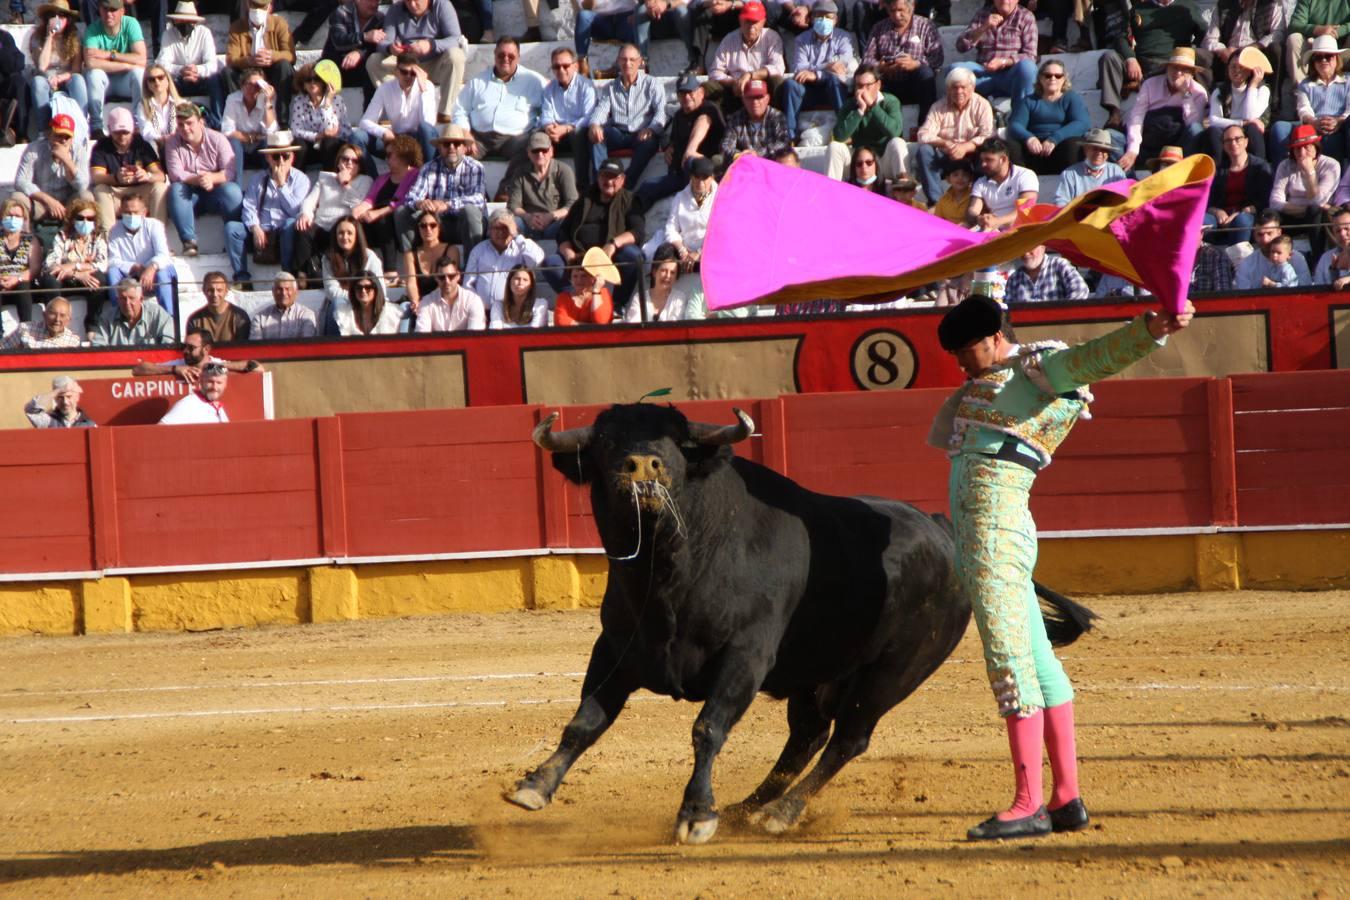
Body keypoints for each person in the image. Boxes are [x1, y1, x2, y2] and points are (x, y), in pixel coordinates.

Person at [931, 292, 1194, 842]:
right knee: (1037, 658)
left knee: (1008, 658)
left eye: (965, 351)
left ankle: (1028, 803)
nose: (959, 363)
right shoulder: (1007, 374)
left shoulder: (1037, 368)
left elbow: (1098, 357)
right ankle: (1066, 797)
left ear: (995, 337)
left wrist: (1151, 328)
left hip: (994, 534)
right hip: (999, 531)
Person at [551, 158, 644, 312]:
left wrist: (613, 244)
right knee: (551, 263)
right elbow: (563, 231)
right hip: (579, 254)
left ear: (622, 179)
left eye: (613, 177)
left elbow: (638, 232)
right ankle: (578, 302)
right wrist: (569, 255)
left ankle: (616, 305)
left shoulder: (630, 200)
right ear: (598, 177)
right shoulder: (585, 198)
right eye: (604, 176)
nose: (608, 181)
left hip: (609, 255)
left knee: (634, 256)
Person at [1098, 0, 1209, 130]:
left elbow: (1204, 34)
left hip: (1171, 65)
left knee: (1202, 55)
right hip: (1140, 63)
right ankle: (1114, 113)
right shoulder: (1139, 9)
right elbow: (1121, 37)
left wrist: (1187, 53)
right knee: (1109, 57)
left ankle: (1206, 106)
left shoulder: (1187, 7)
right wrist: (1130, 59)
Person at [164, 102, 243, 263]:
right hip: (190, 193)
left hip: (215, 191)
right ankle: (189, 241)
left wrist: (212, 178)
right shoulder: (172, 142)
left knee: (233, 191)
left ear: (201, 122)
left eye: (189, 123)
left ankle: (233, 238)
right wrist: (199, 179)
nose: (185, 129)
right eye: (180, 125)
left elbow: (229, 171)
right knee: (176, 189)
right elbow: (175, 173)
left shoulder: (218, 139)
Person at [367, 0, 466, 127]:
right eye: (408, 1)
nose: (412, 5)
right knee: (374, 61)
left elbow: (455, 39)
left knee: (456, 56)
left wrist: (431, 45)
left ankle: (445, 112)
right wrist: (391, 48)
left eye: (416, 0)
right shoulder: (395, 9)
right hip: (406, 65)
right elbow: (383, 42)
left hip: (435, 62)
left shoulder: (442, 5)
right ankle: (394, 107)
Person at [583, 44, 666, 191]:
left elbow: (661, 112)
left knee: (649, 143)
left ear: (640, 62)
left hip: (641, 134)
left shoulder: (652, 84)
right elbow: (601, 110)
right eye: (624, 59)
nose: (628, 63)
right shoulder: (610, 87)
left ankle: (625, 185)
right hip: (618, 133)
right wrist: (594, 125)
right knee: (595, 137)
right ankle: (601, 182)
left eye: (632, 60)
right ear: (618, 61)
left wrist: (651, 129)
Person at [453, 36, 546, 168]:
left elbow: (548, 109)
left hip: (515, 139)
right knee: (453, 150)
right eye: (501, 55)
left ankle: (507, 187)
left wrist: (534, 130)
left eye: (511, 56)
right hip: (479, 138)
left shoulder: (534, 81)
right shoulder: (477, 81)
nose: (505, 59)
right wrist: (465, 133)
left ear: (518, 57)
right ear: (495, 54)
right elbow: (460, 109)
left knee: (532, 146)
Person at [398, 122, 486, 258]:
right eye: (446, 144)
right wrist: (420, 203)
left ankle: (471, 268)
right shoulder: (428, 168)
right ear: (440, 148)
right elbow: (410, 197)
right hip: (436, 224)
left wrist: (448, 205)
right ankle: (413, 264)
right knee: (401, 212)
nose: (451, 147)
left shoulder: (475, 167)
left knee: (470, 211)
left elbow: (478, 199)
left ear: (464, 148)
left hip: (463, 224)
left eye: (456, 144)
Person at [634, 73, 724, 207]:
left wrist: (691, 150)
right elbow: (673, 141)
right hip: (678, 175)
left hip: (702, 175)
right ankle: (635, 226)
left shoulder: (709, 109)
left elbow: (703, 122)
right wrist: (669, 149)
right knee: (645, 188)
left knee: (691, 161)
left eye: (690, 92)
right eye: (682, 93)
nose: (687, 97)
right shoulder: (678, 116)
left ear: (701, 92)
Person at [913, 67, 994, 212]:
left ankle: (978, 202)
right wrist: (945, 143)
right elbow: (923, 134)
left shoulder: (982, 105)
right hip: (946, 154)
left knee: (986, 153)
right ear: (948, 89)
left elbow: (988, 135)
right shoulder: (938, 107)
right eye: (954, 88)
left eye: (963, 87)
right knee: (924, 151)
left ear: (972, 87)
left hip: (972, 155)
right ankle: (936, 202)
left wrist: (966, 146)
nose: (958, 92)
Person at [1119, 47, 1209, 173]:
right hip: (1148, 137)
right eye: (1175, 68)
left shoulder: (1199, 93)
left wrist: (1186, 95)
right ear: (1167, 68)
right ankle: (1127, 180)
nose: (1178, 73)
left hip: (1176, 144)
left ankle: (1184, 172)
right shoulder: (1150, 84)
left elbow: (1193, 124)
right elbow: (1136, 116)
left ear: (1191, 73)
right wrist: (1133, 149)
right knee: (1113, 138)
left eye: (1184, 70)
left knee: (1196, 130)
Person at [293, 143, 373, 282]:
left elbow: (358, 205)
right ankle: (302, 275)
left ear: (359, 165)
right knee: (302, 229)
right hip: (322, 224)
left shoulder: (365, 181)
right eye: (345, 159)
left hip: (343, 227)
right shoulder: (325, 178)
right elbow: (309, 201)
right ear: (338, 161)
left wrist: (345, 184)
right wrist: (305, 214)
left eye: (354, 161)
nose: (349, 163)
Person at [708, 1, 790, 127]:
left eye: (755, 22)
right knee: (709, 87)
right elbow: (714, 71)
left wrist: (750, 75)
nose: (751, 26)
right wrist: (733, 82)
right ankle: (721, 129)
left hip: (762, 87)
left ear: (763, 22)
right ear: (740, 21)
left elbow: (778, 67)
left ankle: (778, 125)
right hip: (736, 90)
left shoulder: (772, 37)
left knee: (777, 82)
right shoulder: (729, 39)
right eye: (747, 21)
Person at [783, 0, 856, 140]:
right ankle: (790, 135)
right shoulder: (801, 39)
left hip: (835, 90)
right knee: (791, 85)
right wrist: (826, 66)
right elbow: (800, 68)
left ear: (835, 20)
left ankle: (845, 131)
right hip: (809, 90)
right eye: (819, 16)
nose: (824, 20)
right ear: (810, 19)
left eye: (828, 17)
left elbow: (843, 65)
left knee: (834, 80)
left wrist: (816, 73)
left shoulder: (844, 37)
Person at [1271, 35, 1350, 162]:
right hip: (1313, 124)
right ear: (1314, 62)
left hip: (1341, 123)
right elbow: (1304, 109)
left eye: (1328, 56)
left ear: (1336, 59)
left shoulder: (1348, 80)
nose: (1323, 61)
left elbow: (1349, 110)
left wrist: (1338, 121)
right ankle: (1282, 173)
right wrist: (1314, 122)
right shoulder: (1305, 84)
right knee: (1279, 127)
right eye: (1318, 58)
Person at [862, 0, 941, 124]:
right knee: (867, 78)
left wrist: (916, 64)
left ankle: (925, 125)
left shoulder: (926, 26)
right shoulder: (879, 28)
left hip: (915, 84)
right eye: (892, 11)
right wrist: (881, 67)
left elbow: (936, 58)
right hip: (887, 82)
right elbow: (866, 59)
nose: (896, 15)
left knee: (926, 73)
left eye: (901, 10)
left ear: (912, 7)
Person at [353, 134, 422, 277]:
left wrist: (378, 213)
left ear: (403, 154)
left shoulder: (416, 175)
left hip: (401, 226)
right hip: (379, 226)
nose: (386, 159)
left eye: (390, 155)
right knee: (353, 225)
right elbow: (370, 200)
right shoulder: (382, 179)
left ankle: (390, 270)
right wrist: (358, 211)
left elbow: (405, 200)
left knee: (383, 219)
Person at [1006, 59, 1089, 175]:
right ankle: (1019, 182)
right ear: (1040, 78)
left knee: (1074, 144)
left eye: (1058, 76)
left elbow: (1082, 123)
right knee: (1011, 145)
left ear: (1064, 79)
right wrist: (1029, 138)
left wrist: (1054, 139)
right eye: (1048, 75)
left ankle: (1071, 183)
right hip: (1034, 149)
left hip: (1060, 147)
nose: (1053, 79)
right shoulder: (1029, 100)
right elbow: (1015, 124)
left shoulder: (1071, 98)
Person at [90, 106, 168, 231]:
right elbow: (96, 177)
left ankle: (158, 235)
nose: (122, 137)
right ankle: (108, 238)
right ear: (109, 129)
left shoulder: (141, 144)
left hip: (140, 192)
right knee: (100, 190)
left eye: (125, 132)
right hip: (116, 194)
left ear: (132, 130)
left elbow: (161, 176)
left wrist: (146, 176)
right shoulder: (101, 146)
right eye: (117, 132)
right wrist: (116, 178)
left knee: (159, 187)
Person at [1270, 123, 1340, 259]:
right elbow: (1275, 202)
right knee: (1270, 215)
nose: (1302, 154)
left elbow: (1319, 201)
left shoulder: (1331, 165)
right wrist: (1305, 209)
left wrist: (1309, 173)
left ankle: (1317, 258)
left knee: (1315, 210)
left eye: (1306, 147)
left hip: (1318, 218)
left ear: (1316, 148)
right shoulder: (1285, 165)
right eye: (1297, 149)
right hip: (1292, 216)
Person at [826, 64, 906, 182]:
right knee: (834, 147)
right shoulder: (849, 105)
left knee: (898, 143)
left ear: (878, 85)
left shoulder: (890, 101)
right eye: (859, 85)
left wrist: (873, 107)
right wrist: (859, 111)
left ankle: (904, 190)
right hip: (859, 162)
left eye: (868, 85)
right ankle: (829, 194)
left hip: (883, 158)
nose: (863, 90)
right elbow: (839, 136)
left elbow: (895, 131)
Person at [359, 51, 440, 166]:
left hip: (418, 138)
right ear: (396, 71)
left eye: (412, 73)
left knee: (425, 129)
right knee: (358, 137)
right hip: (395, 138)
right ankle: (374, 178)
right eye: (404, 72)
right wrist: (383, 132)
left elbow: (428, 124)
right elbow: (365, 122)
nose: (408, 76)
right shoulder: (385, 89)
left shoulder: (427, 87)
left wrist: (423, 89)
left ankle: (429, 174)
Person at [14, 114, 92, 229]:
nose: (63, 140)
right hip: (42, 203)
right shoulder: (34, 149)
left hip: (68, 204)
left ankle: (80, 239)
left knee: (87, 197)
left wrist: (67, 160)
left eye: (67, 137)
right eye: (59, 136)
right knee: (17, 198)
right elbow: (20, 181)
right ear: (48, 134)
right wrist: (48, 201)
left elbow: (83, 186)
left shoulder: (79, 151)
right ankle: (24, 240)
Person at [952, 0, 1038, 104]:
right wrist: (983, 27)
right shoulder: (983, 14)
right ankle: (959, 116)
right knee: (954, 71)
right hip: (983, 74)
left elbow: (1030, 56)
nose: (1005, 1)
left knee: (1028, 68)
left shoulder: (1026, 17)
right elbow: (960, 46)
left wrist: (1004, 62)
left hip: (1010, 76)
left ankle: (1020, 116)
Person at [83, 0, 148, 137]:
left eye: (113, 10)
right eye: (105, 9)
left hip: (125, 81)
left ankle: (138, 123)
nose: (109, 14)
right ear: (99, 10)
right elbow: (91, 63)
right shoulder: (92, 30)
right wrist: (125, 64)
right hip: (105, 81)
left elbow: (141, 59)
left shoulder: (131, 24)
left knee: (139, 73)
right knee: (94, 74)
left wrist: (109, 55)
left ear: (122, 11)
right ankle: (96, 126)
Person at [107, 191, 176, 316]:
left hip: (155, 271)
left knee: (162, 274)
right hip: (131, 275)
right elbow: (112, 260)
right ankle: (119, 315)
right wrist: (134, 267)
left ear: (144, 212)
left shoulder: (154, 225)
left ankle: (169, 318)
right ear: (120, 212)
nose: (131, 216)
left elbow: (163, 254)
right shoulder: (114, 230)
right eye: (127, 212)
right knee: (112, 272)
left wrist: (151, 267)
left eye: (135, 212)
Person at [226, 0, 295, 127]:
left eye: (262, 7)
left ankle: (282, 120)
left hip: (272, 69)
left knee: (284, 66)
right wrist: (248, 60)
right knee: (228, 72)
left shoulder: (280, 23)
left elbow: (291, 55)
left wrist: (272, 56)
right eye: (254, 6)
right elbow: (231, 59)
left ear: (270, 7)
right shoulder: (237, 27)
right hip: (248, 70)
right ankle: (238, 116)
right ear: (247, 5)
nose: (258, 11)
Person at [643, 155, 715, 276]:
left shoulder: (720, 198)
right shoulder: (680, 197)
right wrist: (682, 250)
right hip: (683, 249)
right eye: (697, 177)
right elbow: (671, 228)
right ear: (691, 177)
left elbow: (720, 233)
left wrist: (699, 252)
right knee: (658, 255)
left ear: (712, 178)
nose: (700, 182)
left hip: (709, 250)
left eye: (705, 178)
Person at [1204, 124, 1273, 246]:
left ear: (1246, 142)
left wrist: (1239, 213)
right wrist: (1217, 211)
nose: (1233, 143)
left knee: (1242, 221)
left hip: (1248, 215)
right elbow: (1208, 201)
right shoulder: (1218, 170)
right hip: (1221, 216)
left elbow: (1265, 201)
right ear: (1224, 146)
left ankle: (1238, 260)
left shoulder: (1260, 167)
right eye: (1228, 140)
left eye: (1237, 139)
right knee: (1201, 220)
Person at [158, 1, 224, 127]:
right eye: (181, 21)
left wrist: (196, 70)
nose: (185, 25)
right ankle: (167, 122)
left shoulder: (204, 33)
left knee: (215, 79)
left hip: (200, 80)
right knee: (161, 80)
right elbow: (161, 63)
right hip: (178, 80)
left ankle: (217, 121)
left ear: (195, 22)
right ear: (175, 21)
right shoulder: (168, 34)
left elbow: (212, 64)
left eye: (188, 22)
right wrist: (181, 70)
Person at [464, 209, 544, 312]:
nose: (500, 232)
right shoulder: (478, 250)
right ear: (489, 230)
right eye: (496, 228)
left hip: (513, 312)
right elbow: (468, 284)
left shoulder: (522, 248)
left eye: (505, 228)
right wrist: (476, 309)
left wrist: (516, 235)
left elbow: (537, 259)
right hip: (481, 312)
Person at [507, 131, 579, 240]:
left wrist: (550, 216)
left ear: (551, 151)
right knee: (511, 223)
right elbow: (513, 205)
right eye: (535, 150)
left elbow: (573, 203)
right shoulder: (519, 172)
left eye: (544, 150)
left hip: (555, 222)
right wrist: (528, 217)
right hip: (528, 223)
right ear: (528, 152)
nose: (540, 154)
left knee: (571, 222)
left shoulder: (564, 171)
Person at [30, 0, 89, 133]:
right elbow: (42, 67)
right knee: (38, 82)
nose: (57, 19)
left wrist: (61, 78)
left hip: (66, 78)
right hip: (46, 79)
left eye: (62, 15)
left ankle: (81, 126)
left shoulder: (75, 37)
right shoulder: (37, 37)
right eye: (53, 15)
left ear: (67, 19)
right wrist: (49, 37)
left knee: (78, 80)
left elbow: (76, 69)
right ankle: (43, 131)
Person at [289, 61, 358, 173]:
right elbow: (296, 130)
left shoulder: (337, 100)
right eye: (308, 80)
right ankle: (297, 179)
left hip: (332, 148)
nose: (312, 83)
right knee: (299, 144)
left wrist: (327, 103)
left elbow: (331, 130)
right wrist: (317, 136)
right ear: (303, 84)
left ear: (323, 81)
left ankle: (329, 180)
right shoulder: (299, 101)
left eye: (316, 79)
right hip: (311, 148)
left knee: (328, 142)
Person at [1206, 46, 1271, 160]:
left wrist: (1253, 85)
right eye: (1233, 67)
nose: (1237, 70)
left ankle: (1260, 167)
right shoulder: (1220, 90)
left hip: (1249, 133)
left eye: (1241, 67)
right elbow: (1214, 120)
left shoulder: (1262, 90)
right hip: (1227, 131)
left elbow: (1250, 116)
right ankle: (1219, 171)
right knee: (1213, 131)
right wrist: (1241, 123)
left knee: (1252, 127)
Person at [1203, 0, 1284, 88]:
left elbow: (1278, 33)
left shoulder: (1271, 4)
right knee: (1199, 55)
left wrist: (1256, 46)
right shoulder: (1223, 5)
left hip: (1256, 56)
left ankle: (1274, 99)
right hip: (1228, 58)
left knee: (1276, 49)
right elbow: (1210, 39)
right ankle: (1208, 96)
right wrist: (1223, 50)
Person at [538, 46, 597, 167]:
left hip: (579, 132)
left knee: (577, 134)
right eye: (556, 66)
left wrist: (566, 128)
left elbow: (589, 116)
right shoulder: (549, 89)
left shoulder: (587, 86)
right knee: (538, 138)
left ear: (575, 66)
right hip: (557, 133)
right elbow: (546, 115)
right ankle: (543, 181)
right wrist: (549, 127)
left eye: (565, 66)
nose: (561, 70)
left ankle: (582, 184)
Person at [221, 67, 278, 186]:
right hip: (239, 148)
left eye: (258, 85)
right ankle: (236, 188)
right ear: (242, 86)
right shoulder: (232, 99)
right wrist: (252, 137)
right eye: (249, 85)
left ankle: (269, 186)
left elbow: (271, 132)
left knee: (269, 143)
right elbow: (227, 130)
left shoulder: (267, 100)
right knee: (233, 142)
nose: (253, 89)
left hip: (259, 149)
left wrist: (268, 103)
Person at [321, 0, 385, 106]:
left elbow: (378, 46)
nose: (374, 4)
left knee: (372, 66)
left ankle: (368, 115)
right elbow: (338, 41)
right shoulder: (341, 12)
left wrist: (360, 53)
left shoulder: (380, 19)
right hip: (337, 63)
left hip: (361, 67)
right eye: (370, 1)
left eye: (377, 1)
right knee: (319, 73)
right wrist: (364, 36)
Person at [967, 137, 1037, 232]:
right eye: (982, 160)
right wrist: (978, 219)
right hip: (993, 230)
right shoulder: (981, 182)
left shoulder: (1025, 175)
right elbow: (973, 209)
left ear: (1003, 159)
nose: (983, 164)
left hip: (1022, 231)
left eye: (988, 160)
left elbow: (1025, 210)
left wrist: (998, 221)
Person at [133, 327, 262, 378]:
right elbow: (137, 370)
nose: (185, 351)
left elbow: (258, 368)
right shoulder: (178, 364)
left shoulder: (217, 367)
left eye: (191, 347)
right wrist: (174, 369)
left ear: (206, 349)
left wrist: (217, 367)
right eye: (184, 346)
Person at [321, 214, 384, 316]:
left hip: (368, 305)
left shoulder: (369, 256)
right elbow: (331, 291)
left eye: (349, 233)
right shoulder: (328, 258)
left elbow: (379, 289)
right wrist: (356, 297)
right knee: (336, 305)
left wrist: (360, 299)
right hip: (340, 306)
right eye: (341, 233)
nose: (345, 237)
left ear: (357, 236)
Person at [624, 242, 705, 321]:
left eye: (672, 272)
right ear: (654, 271)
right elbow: (634, 327)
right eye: (663, 270)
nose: (668, 276)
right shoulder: (639, 298)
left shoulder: (679, 299)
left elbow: (675, 329)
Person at [1285, 0, 1350, 91]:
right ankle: (1301, 90)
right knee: (1294, 38)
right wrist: (1316, 29)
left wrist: (1338, 32)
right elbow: (1294, 24)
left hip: (1342, 50)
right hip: (1314, 50)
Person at [401, 207, 459, 309]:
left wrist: (428, 304)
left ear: (439, 227)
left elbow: (449, 280)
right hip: (419, 301)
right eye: (423, 226)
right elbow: (411, 283)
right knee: (403, 308)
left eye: (433, 225)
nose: (428, 229)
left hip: (443, 300)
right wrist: (416, 302)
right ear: (418, 229)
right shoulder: (410, 254)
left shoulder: (451, 250)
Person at [719, 78, 791, 159]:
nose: (755, 102)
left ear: (767, 99)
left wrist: (757, 154)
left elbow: (784, 143)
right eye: (750, 98)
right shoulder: (735, 118)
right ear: (743, 99)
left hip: (770, 163)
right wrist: (740, 155)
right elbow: (725, 146)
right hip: (744, 164)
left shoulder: (777, 116)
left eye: (759, 97)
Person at [1053, 128, 1127, 206]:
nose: (1099, 153)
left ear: (1108, 153)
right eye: (1095, 148)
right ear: (1085, 149)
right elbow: (1060, 202)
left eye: (1104, 149)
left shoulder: (1116, 172)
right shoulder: (1069, 174)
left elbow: (1124, 199)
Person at [1239, 209, 1315, 283]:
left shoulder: (1297, 259)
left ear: (1279, 233)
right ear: (1254, 235)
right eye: (1260, 234)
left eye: (1269, 233)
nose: (1265, 240)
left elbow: (1305, 291)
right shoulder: (1247, 264)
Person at [0, 199, 44, 328]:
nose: (13, 219)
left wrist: (16, 279)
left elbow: (35, 268)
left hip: (22, 285)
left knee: (22, 286)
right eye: (9, 215)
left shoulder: (30, 240)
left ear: (24, 219)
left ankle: (27, 328)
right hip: (1, 283)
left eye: (17, 216)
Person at [92, 276, 175, 345]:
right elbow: (98, 346)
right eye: (123, 299)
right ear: (117, 300)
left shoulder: (157, 314)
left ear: (141, 299)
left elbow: (169, 342)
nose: (127, 303)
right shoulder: (106, 318)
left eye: (131, 298)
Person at [414, 254, 486, 331]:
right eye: (441, 277)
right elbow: (422, 335)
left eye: (451, 276)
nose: (447, 281)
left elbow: (475, 337)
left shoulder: (473, 300)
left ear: (458, 276)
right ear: (436, 278)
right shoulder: (426, 302)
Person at [554, 246, 616, 325]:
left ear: (593, 277)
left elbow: (601, 322)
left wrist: (596, 291)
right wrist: (588, 326)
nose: (579, 280)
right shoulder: (563, 298)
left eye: (584, 276)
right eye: (575, 276)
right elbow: (560, 322)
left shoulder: (604, 294)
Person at [1003, 245, 1089, 303]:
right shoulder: (1013, 279)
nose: (1026, 253)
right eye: (1022, 249)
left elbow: (1081, 290)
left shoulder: (1059, 265)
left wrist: (1062, 315)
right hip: (1027, 329)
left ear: (1043, 247)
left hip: (1059, 327)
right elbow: (1009, 312)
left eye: (1030, 247)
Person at [574, 0, 638, 76]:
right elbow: (585, 6)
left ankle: (618, 68)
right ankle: (582, 65)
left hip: (626, 17)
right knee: (583, 15)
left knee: (637, 19)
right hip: (601, 20)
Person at [184, 270, 252, 341]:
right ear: (204, 291)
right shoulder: (195, 320)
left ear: (226, 291)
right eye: (210, 290)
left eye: (219, 290)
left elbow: (243, 349)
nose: (215, 294)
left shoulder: (240, 316)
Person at [249, 272, 319, 338]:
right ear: (273, 292)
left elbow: (306, 346)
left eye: (287, 289)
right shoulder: (260, 318)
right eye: (279, 289)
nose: (284, 293)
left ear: (296, 292)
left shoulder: (306, 315)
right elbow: (255, 348)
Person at [636, 0, 699, 73]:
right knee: (642, 9)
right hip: (654, 17)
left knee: (682, 11)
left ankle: (693, 59)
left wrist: (667, 4)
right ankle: (642, 61)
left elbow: (687, 2)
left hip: (678, 20)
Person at [330, 273, 404, 334]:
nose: (363, 291)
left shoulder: (391, 312)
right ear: (354, 291)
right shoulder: (344, 314)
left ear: (376, 290)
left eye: (368, 287)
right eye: (359, 287)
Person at [159, 361, 230, 423]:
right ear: (201, 381)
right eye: (210, 382)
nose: (214, 387)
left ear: (225, 384)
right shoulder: (187, 404)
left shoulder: (218, 407)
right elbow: (160, 431)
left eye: (219, 383)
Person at [1, 296, 84, 349]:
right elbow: (2, 347)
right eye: (53, 314)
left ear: (68, 320)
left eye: (62, 315)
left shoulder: (73, 342)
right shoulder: (25, 329)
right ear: (44, 315)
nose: (57, 319)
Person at [134, 63, 183, 147]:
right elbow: (146, 132)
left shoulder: (181, 104)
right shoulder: (143, 106)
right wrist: (162, 140)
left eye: (160, 77)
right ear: (147, 84)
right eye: (151, 79)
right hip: (155, 145)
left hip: (178, 144)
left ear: (167, 80)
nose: (157, 82)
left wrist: (171, 139)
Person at [489, 263, 548, 328]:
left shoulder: (540, 304)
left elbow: (534, 332)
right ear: (509, 282)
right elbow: (495, 332)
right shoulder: (498, 306)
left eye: (525, 280)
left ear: (531, 285)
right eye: (517, 279)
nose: (520, 283)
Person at [25, 375, 96, 427]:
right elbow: (31, 410)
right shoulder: (49, 421)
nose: (65, 402)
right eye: (60, 397)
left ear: (77, 397)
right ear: (55, 399)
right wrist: (58, 391)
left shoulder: (89, 424)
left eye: (69, 397)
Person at [1312, 204, 1350, 286]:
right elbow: (1318, 290)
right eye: (1338, 231)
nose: (1342, 234)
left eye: (1346, 229)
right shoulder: (1326, 258)